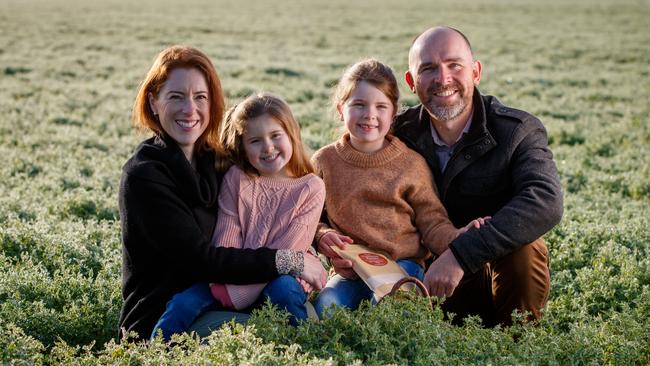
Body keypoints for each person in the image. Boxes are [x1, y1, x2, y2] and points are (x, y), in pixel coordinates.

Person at [118, 46, 326, 341]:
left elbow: (278, 203)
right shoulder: (144, 176)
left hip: (230, 291)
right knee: (275, 332)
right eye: (176, 96)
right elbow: (201, 259)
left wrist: (319, 237)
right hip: (167, 307)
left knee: (298, 308)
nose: (190, 109)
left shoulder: (216, 160)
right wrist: (292, 261)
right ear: (153, 102)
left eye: (200, 97)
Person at [390, 26, 563, 326]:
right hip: (423, 280)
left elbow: (545, 201)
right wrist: (326, 238)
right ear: (411, 82)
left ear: (476, 72)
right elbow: (344, 170)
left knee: (526, 249)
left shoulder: (517, 130)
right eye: (428, 68)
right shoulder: (397, 134)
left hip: (498, 277)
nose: (443, 79)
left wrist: (459, 255)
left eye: (454, 65)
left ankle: (517, 347)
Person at [312, 59, 486, 318]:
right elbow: (310, 219)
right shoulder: (325, 161)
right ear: (340, 109)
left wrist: (456, 238)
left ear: (393, 114)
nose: (369, 114)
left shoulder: (410, 164)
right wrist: (323, 236)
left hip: (402, 266)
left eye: (380, 107)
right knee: (325, 308)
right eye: (358, 105)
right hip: (350, 270)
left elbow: (432, 220)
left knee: (387, 310)